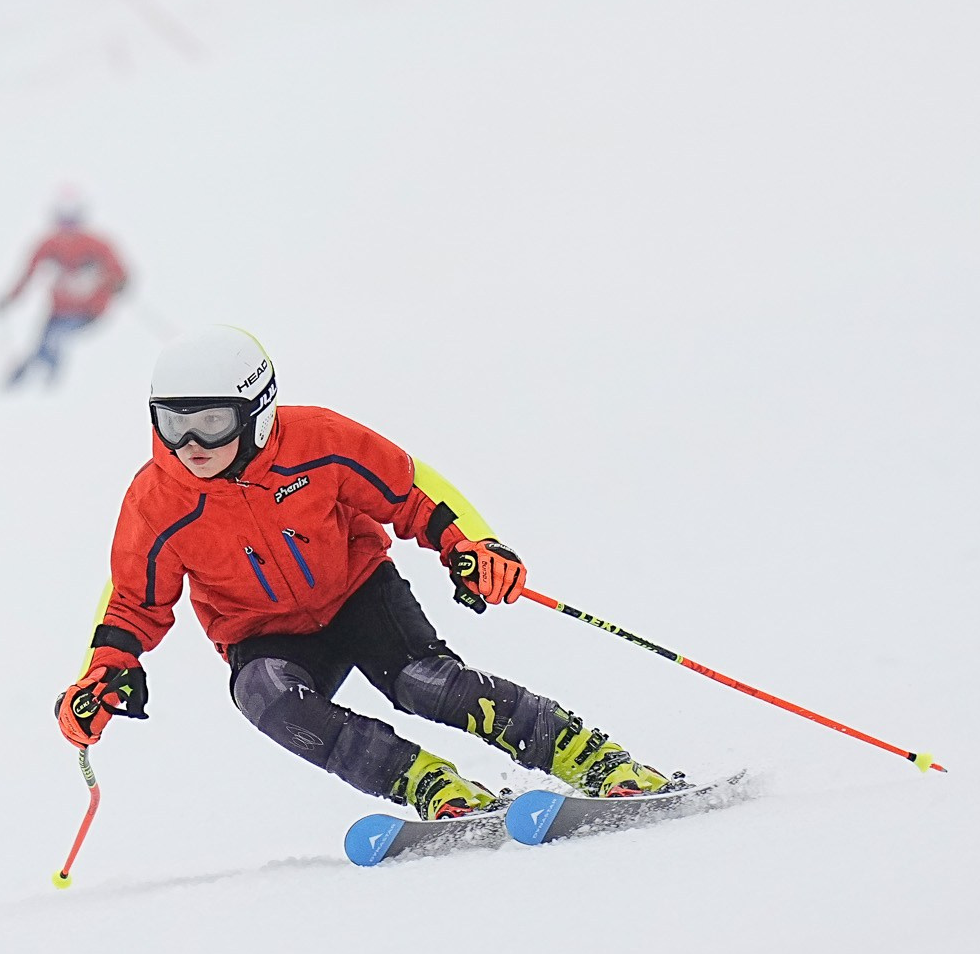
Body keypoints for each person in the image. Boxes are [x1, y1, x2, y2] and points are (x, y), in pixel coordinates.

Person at [55, 327, 673, 821]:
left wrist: (471, 544)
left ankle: (590, 757)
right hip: (262, 630)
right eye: (172, 421)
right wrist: (104, 675)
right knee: (264, 694)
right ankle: (428, 783)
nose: (191, 442)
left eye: (211, 421)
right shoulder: (156, 499)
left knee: (424, 684)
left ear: (259, 409)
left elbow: (409, 490)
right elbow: (134, 600)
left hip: (356, 592)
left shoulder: (318, 440)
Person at [0, 198, 130, 387]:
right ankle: (22, 379)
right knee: (41, 342)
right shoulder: (47, 247)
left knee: (56, 339)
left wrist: (120, 284)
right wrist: (9, 299)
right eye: (63, 223)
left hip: (89, 311)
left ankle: (52, 384)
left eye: (72, 223)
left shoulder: (97, 245)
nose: (68, 231)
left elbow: (120, 274)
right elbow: (27, 276)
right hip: (58, 311)